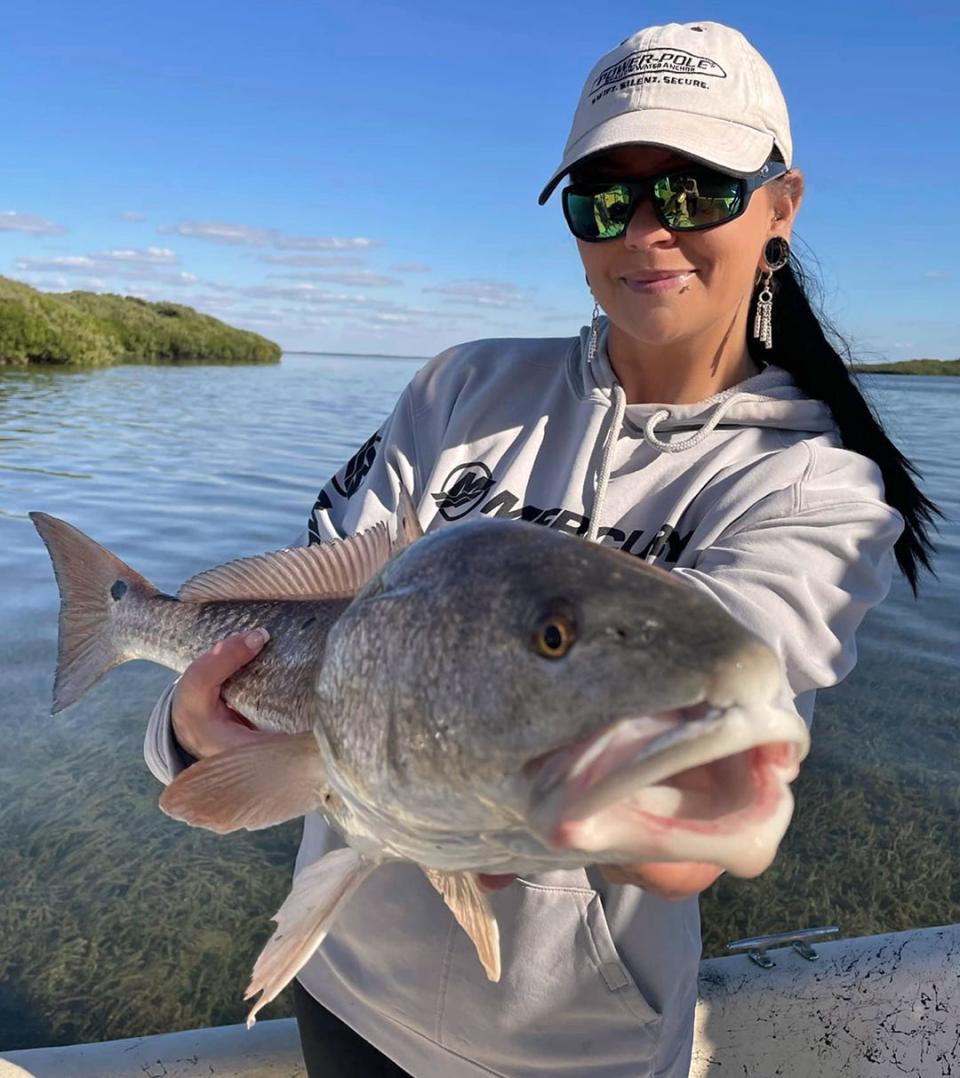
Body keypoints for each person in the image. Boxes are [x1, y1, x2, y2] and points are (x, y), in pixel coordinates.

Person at [144, 20, 937, 1078]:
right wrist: (192, 731)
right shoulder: (459, 388)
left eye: (697, 190)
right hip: (344, 990)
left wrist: (676, 819)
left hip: (570, 1052)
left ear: (781, 206)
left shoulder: (814, 487)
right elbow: (317, 610)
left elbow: (732, 691)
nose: (647, 230)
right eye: (605, 197)